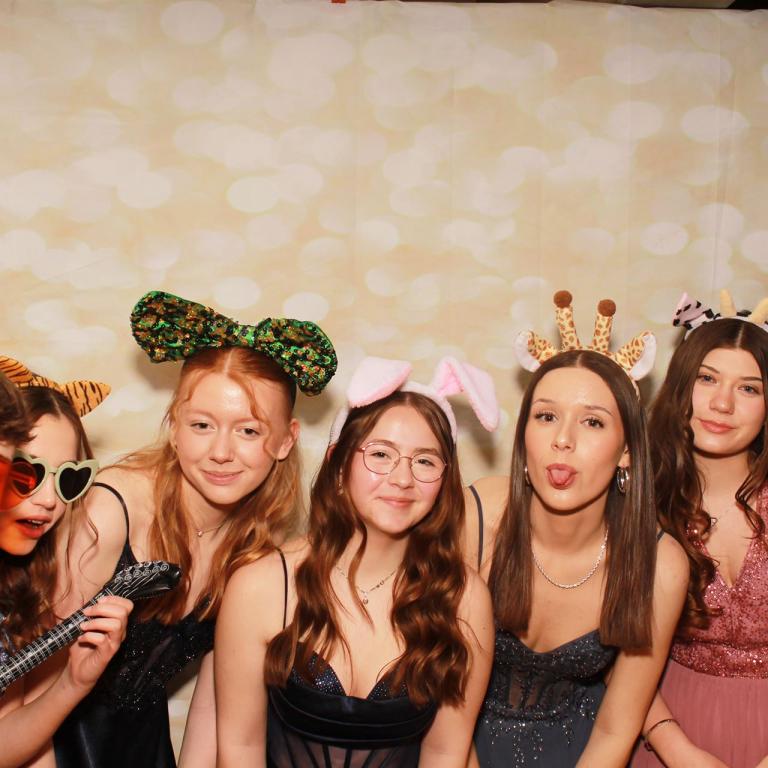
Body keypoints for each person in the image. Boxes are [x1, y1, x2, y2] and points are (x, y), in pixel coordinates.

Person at [46, 291, 337, 768]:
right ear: (175, 425)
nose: (221, 452)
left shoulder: (257, 547)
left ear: (286, 441)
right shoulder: (110, 512)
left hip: (144, 749)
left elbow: (214, 700)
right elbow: (30, 682)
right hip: (50, 747)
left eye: (248, 431)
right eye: (202, 425)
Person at [215, 355, 499, 766]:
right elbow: (240, 748)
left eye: (425, 461)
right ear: (338, 463)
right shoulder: (261, 586)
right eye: (381, 455)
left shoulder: (465, 599)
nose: (402, 479)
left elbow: (444, 753)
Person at [469, 292, 689, 767]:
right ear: (523, 435)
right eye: (546, 416)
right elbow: (442, 704)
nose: (563, 440)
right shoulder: (479, 515)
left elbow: (616, 729)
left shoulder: (660, 564)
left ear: (627, 451)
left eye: (592, 422)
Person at [633, 291, 768, 768]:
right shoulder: (639, 500)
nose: (722, 403)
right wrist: (675, 749)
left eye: (749, 388)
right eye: (707, 379)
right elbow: (605, 644)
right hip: (664, 727)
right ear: (681, 386)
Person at [0, 362, 131, 768]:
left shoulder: (18, 585)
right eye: (28, 471)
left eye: (67, 479)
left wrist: (73, 682)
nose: (49, 500)